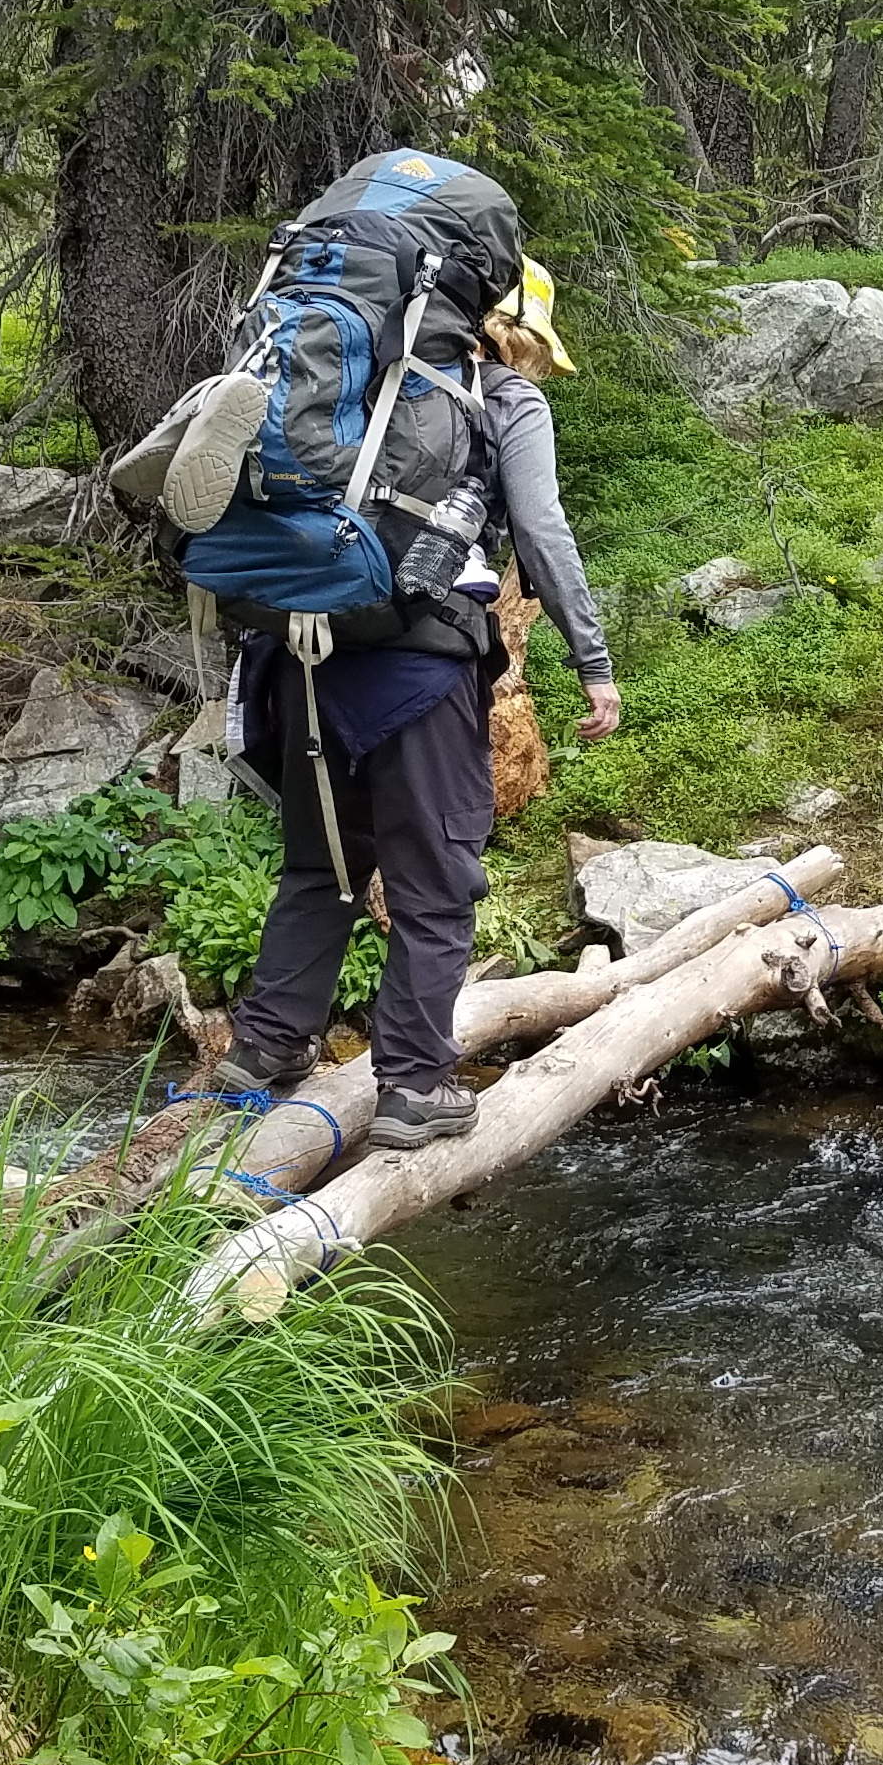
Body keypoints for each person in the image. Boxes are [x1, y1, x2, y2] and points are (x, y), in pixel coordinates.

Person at [207, 263, 620, 1140]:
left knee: (323, 868)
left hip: (299, 656)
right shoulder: (502, 400)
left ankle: (265, 1046)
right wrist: (594, 660)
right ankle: (413, 1087)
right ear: (518, 333)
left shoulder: (345, 387)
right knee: (436, 888)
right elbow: (542, 531)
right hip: (420, 671)